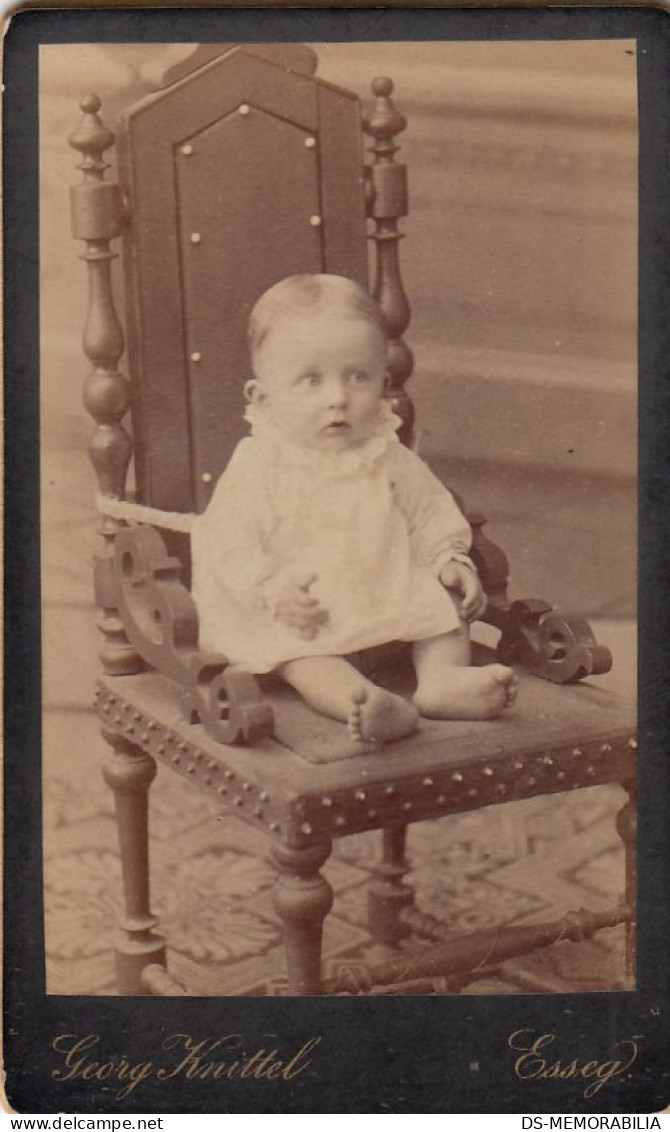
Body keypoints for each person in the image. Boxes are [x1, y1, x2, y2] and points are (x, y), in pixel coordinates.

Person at [192, 274, 519, 743]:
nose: (338, 398)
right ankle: (360, 702)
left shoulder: (384, 453)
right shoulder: (259, 465)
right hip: (308, 610)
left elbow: (429, 509)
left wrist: (449, 557)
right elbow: (228, 540)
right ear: (263, 397)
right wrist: (273, 589)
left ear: (384, 384)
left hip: (381, 592)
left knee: (443, 609)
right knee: (301, 658)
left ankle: (442, 680)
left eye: (358, 376)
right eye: (311, 380)